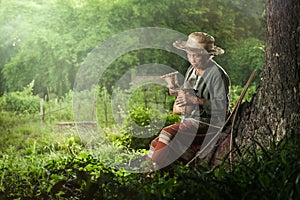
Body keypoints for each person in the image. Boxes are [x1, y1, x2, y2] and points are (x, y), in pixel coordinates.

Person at [145, 32, 231, 171]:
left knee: (167, 133)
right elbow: (187, 93)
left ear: (209, 55)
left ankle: (151, 170)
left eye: (196, 55)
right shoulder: (191, 70)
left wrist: (196, 100)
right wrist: (176, 89)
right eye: (189, 54)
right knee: (156, 143)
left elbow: (223, 108)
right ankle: (159, 171)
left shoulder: (217, 75)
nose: (192, 59)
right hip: (190, 118)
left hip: (208, 122)